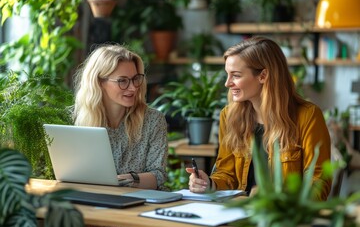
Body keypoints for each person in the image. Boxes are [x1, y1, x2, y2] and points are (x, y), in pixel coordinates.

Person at [186, 36, 332, 201]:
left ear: (263, 76)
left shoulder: (308, 116)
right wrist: (209, 183)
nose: (227, 83)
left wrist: (281, 201)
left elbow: (319, 182)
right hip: (239, 214)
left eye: (236, 75)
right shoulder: (229, 116)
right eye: (228, 74)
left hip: (279, 219)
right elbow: (226, 174)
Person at [73, 44, 168, 190]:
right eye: (122, 81)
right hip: (92, 200)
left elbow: (158, 176)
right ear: (99, 82)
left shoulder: (153, 120)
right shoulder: (75, 120)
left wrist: (128, 179)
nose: (133, 88)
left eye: (136, 79)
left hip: (140, 203)